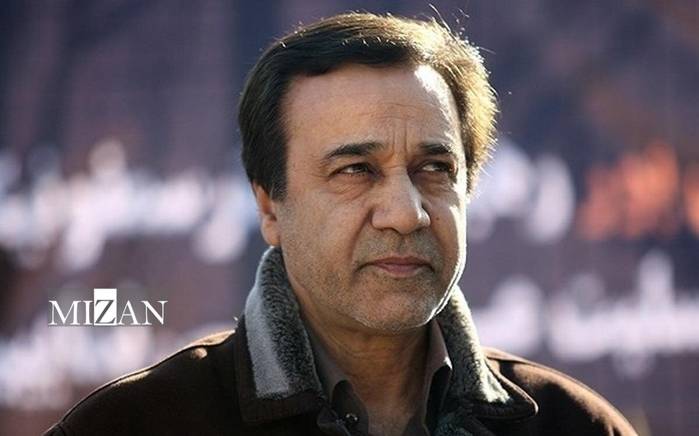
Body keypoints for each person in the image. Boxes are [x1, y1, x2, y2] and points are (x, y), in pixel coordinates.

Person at [44, 12, 637, 436]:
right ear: (270, 207)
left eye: (435, 168)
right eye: (356, 170)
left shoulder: (573, 424)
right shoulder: (136, 423)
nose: (407, 213)